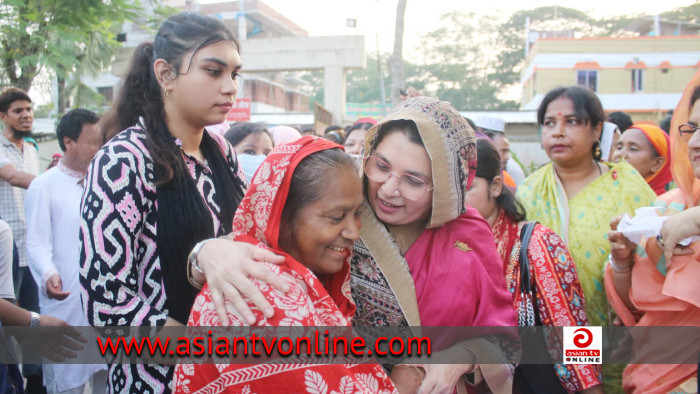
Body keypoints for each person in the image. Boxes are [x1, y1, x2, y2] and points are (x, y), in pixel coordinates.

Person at [192, 97, 518, 394]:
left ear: (446, 188)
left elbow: (505, 337)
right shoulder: (343, 198)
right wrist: (205, 253)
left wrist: (458, 359)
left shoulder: (467, 235)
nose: (389, 189)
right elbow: (259, 239)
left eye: (414, 181)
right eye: (381, 166)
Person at [79, 12, 248, 393]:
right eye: (213, 71)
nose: (230, 87)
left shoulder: (222, 151)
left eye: (235, 74)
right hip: (157, 378)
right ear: (166, 75)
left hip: (229, 369)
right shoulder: (122, 161)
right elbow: (106, 303)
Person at [174, 136, 398, 393]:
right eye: (337, 217)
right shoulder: (265, 294)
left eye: (357, 213)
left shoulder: (282, 272)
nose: (353, 232)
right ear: (280, 217)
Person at [516, 86, 656, 393]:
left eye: (572, 122)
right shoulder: (529, 192)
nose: (558, 132)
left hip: (621, 333)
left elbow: (657, 263)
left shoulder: (627, 187)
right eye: (549, 123)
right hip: (552, 341)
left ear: (597, 130)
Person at [466, 138, 603, 393]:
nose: (455, 200)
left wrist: (592, 389)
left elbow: (574, 331)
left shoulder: (537, 244)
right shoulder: (452, 247)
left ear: (496, 186)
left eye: (467, 187)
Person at [606, 71, 700, 394]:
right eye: (694, 129)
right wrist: (622, 259)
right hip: (653, 371)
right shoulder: (665, 208)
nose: (696, 142)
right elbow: (635, 306)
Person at [25, 109, 107, 394]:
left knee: (108, 379)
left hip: (105, 302)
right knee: (67, 381)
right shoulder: (44, 186)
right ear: (68, 143)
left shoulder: (107, 183)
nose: (100, 148)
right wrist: (48, 273)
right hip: (67, 301)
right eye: (93, 141)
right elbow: (35, 241)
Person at [0, 86, 43, 392]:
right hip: (6, 251)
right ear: (3, 116)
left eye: (28, 109)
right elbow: (14, 178)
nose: (26, 115)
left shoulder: (30, 148)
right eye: (18, 111)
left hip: (30, 250)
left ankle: (34, 382)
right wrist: (50, 181)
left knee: (30, 319)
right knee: (7, 323)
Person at [612, 124, 672, 196]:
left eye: (633, 149)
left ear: (657, 164)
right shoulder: (605, 194)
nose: (620, 154)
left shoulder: (664, 204)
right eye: (619, 147)